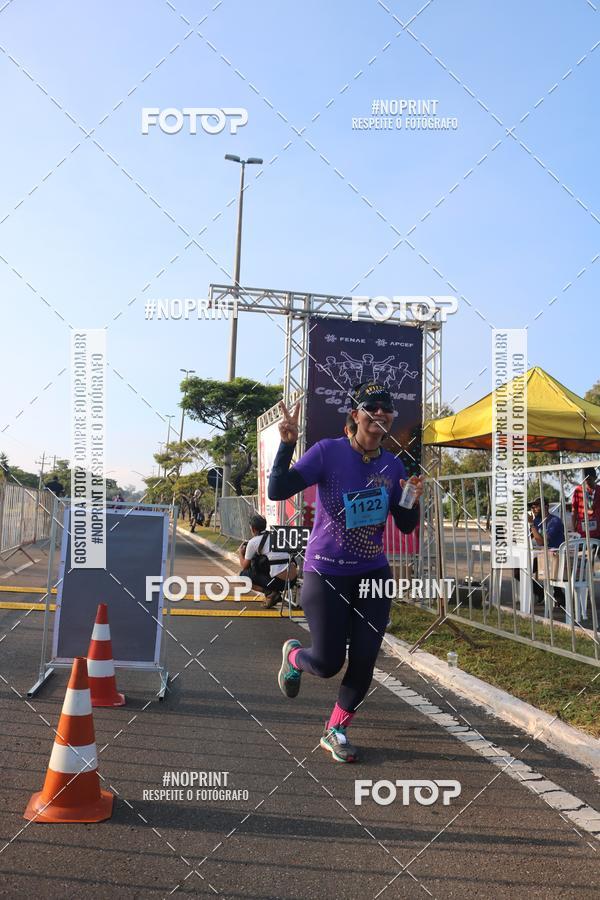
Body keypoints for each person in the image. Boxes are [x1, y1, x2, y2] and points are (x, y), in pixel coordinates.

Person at [269, 382, 423, 763]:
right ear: (354, 415)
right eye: (372, 406)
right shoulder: (327, 452)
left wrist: (411, 500)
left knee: (365, 657)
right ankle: (294, 658)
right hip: (327, 572)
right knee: (326, 662)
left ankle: (335, 729)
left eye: (388, 408)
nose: (381, 413)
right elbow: (277, 490)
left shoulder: (393, 463)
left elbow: (404, 525)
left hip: (373, 573)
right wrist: (287, 444)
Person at [239, 514, 298, 609]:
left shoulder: (253, 542)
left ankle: (270, 593)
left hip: (279, 582)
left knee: (243, 576)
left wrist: (240, 553)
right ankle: (272, 594)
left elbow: (244, 566)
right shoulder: (277, 535)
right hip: (292, 580)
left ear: (253, 529)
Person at [571, 468, 600, 539]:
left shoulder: (599, 490)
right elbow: (574, 510)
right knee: (583, 549)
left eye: (589, 479)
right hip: (582, 532)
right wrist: (574, 527)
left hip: (598, 532)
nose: (587, 482)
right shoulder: (578, 490)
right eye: (585, 479)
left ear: (595, 478)